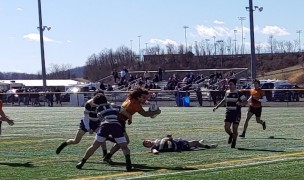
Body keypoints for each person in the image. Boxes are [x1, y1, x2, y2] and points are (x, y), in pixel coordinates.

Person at [76, 94, 133, 171]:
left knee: (94, 146)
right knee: (124, 146)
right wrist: (130, 120)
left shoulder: (98, 108)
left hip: (105, 126)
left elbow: (100, 118)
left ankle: (82, 162)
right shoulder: (116, 106)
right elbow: (128, 115)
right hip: (117, 126)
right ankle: (128, 163)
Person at [103, 88, 161, 163]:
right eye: (144, 98)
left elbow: (129, 109)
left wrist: (147, 102)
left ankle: (107, 156)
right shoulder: (135, 104)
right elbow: (145, 114)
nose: (145, 100)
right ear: (138, 97)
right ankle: (107, 142)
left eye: (146, 98)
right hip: (119, 121)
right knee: (125, 141)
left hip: (117, 119)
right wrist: (157, 111)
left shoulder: (131, 97)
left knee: (122, 141)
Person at [55, 89, 109, 156]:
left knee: (102, 138)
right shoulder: (89, 104)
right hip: (87, 121)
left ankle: (105, 155)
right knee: (76, 141)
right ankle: (64, 144)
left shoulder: (104, 102)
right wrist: (88, 128)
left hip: (97, 122)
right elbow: (85, 117)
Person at [213, 78, 247, 148]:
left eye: (231, 84)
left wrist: (241, 103)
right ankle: (231, 135)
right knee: (226, 128)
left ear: (235, 85)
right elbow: (224, 101)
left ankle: (234, 141)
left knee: (235, 129)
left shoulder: (238, 93)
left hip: (236, 113)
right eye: (229, 84)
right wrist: (216, 107)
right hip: (228, 112)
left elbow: (246, 102)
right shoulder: (227, 92)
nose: (229, 86)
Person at [143, 135, 218, 154]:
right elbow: (155, 152)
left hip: (177, 141)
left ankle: (199, 143)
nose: (148, 142)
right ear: (148, 147)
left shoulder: (157, 140)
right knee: (195, 142)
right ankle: (208, 146)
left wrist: (169, 138)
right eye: (147, 144)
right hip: (179, 146)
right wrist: (153, 151)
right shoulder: (154, 147)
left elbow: (169, 139)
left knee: (194, 143)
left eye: (147, 141)